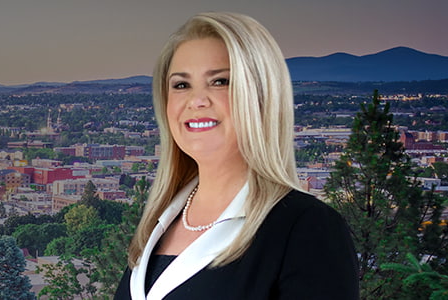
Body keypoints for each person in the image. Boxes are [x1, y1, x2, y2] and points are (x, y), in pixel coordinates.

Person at [114, 12, 357, 300]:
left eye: (220, 81)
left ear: (261, 96)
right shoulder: (156, 225)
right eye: (181, 85)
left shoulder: (307, 229)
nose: (197, 100)